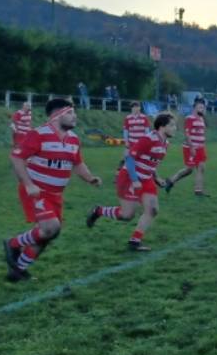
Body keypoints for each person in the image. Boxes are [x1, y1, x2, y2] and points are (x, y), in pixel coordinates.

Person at [2, 99, 102, 282]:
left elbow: (78, 163)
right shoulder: (38, 134)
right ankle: (13, 243)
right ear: (57, 116)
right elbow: (17, 159)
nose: (75, 116)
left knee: (49, 234)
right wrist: (29, 184)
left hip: (56, 196)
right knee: (51, 227)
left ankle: (17, 270)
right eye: (70, 113)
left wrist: (90, 178)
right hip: (36, 191)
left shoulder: (73, 138)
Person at [86, 113, 176, 251]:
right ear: (162, 127)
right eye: (172, 125)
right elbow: (129, 159)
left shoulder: (165, 144)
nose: (175, 128)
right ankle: (98, 211)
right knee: (127, 215)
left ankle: (135, 241)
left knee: (152, 210)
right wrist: (134, 180)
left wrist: (156, 177)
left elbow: (151, 162)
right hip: (129, 177)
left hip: (146, 179)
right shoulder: (149, 139)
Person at [165, 97, 209, 197]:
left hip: (201, 147)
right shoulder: (189, 118)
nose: (202, 109)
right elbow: (187, 134)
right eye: (200, 107)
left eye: (203, 107)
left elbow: (202, 131)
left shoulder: (202, 119)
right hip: (190, 148)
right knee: (189, 169)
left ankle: (198, 190)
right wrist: (192, 147)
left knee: (201, 167)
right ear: (195, 108)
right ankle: (171, 181)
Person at [116, 101, 150, 172]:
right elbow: (126, 131)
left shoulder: (144, 117)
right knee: (126, 157)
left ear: (139, 108)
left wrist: (146, 141)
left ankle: (144, 173)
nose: (135, 108)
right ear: (131, 108)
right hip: (131, 142)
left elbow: (147, 131)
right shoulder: (128, 118)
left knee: (142, 158)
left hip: (141, 142)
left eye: (137, 107)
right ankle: (120, 172)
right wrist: (126, 141)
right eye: (133, 107)